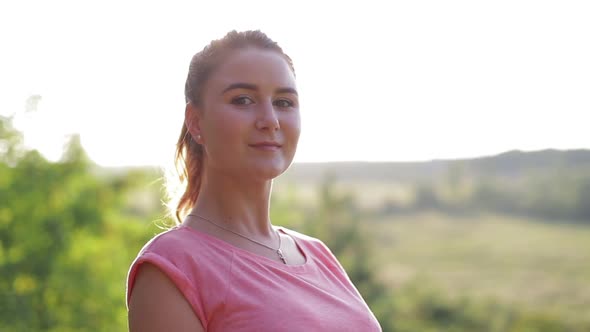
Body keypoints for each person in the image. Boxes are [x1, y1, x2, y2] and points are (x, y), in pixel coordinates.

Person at [126, 30, 382, 331]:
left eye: (284, 102)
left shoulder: (318, 254)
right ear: (196, 122)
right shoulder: (171, 267)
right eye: (243, 100)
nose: (270, 120)